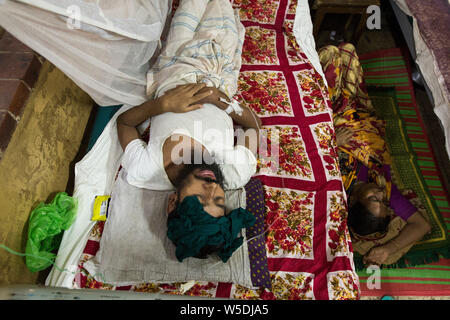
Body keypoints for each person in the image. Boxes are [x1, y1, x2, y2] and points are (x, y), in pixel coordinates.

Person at [116, 0, 260, 263]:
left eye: (199, 199)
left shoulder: (145, 169)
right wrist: (221, 100)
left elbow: (124, 123)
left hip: (173, 66)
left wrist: (161, 105)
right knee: (221, 8)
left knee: (191, 7)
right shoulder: (234, 172)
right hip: (219, 71)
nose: (212, 188)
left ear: (173, 203)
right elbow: (253, 126)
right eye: (218, 201)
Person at [319, 43, 431, 266]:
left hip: (331, 116)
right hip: (363, 115)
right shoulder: (386, 189)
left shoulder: (336, 182)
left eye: (374, 199)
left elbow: (309, 154)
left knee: (331, 54)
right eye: (384, 202)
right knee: (349, 50)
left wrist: (331, 144)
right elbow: (422, 226)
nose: (381, 193)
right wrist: (388, 249)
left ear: (352, 200)